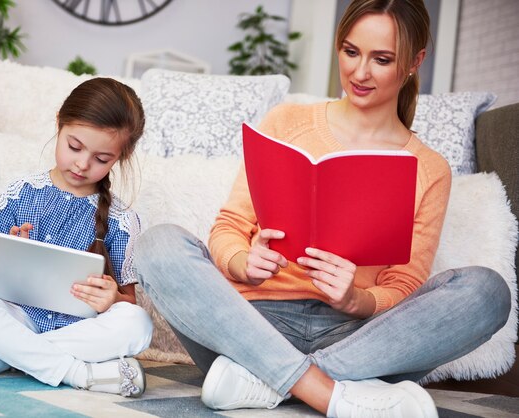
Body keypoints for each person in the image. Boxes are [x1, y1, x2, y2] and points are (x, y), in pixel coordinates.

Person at [133, 0, 511, 416]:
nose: (359, 73)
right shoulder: (286, 122)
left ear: (414, 62)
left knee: (487, 292)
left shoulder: (429, 169)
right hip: (249, 326)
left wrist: (356, 300)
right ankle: (326, 393)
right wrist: (243, 262)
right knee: (158, 243)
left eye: (381, 59)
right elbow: (229, 226)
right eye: (350, 52)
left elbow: (404, 285)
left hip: (355, 340)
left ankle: (267, 381)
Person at [0, 77, 153, 398]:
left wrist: (112, 300)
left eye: (101, 159)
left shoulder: (122, 221)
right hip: (17, 318)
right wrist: (8, 255)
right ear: (59, 124)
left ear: (121, 156)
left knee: (137, 323)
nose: (82, 164)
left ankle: (4, 357)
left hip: (80, 330)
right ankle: (78, 373)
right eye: (74, 147)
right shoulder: (20, 194)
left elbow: (128, 301)